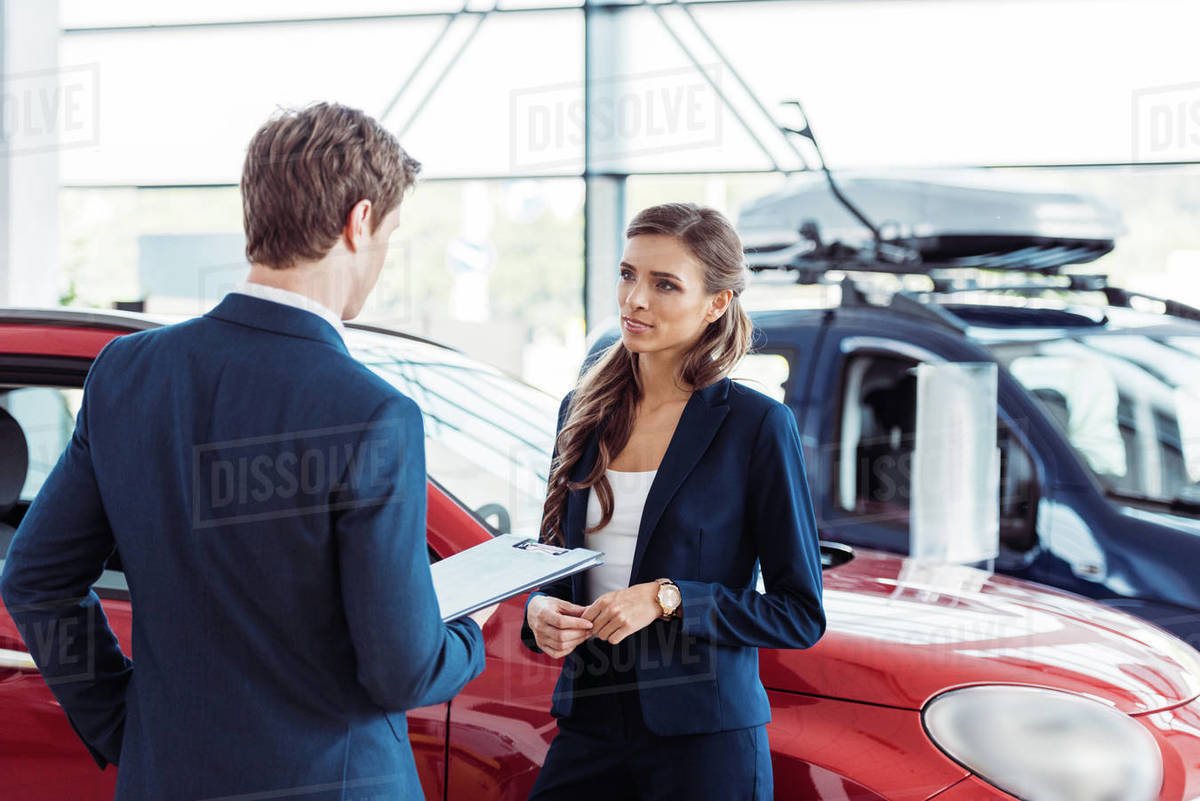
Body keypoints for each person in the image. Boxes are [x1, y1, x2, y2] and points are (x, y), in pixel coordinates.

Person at [0, 102, 496, 801]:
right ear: (358, 223)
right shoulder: (372, 413)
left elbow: (36, 578)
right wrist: (473, 627)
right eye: (388, 234)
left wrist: (124, 720)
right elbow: (401, 670)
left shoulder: (126, 375)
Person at [520, 202, 826, 800]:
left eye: (664, 284)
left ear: (716, 304)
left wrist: (670, 599)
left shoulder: (756, 426)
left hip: (704, 742)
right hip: (590, 723)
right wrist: (539, 615)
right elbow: (555, 569)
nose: (634, 299)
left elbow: (799, 613)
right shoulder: (581, 413)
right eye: (628, 274)